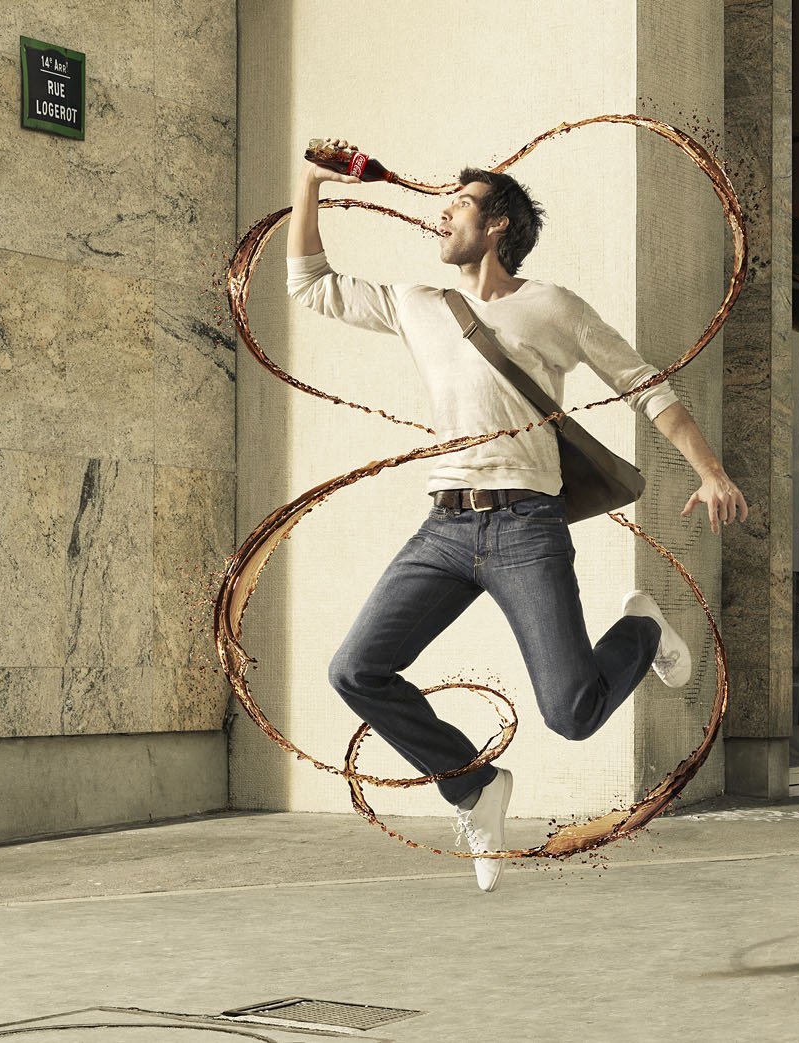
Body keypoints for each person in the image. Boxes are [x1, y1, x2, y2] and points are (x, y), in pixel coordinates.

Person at [287, 141, 748, 892]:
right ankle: (472, 785)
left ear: (497, 225)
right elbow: (310, 285)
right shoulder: (420, 304)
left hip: (525, 528)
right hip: (443, 528)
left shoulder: (554, 307)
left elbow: (645, 387)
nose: (443, 212)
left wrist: (713, 470)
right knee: (355, 669)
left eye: (460, 204)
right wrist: (309, 182)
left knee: (571, 712)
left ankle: (641, 631)